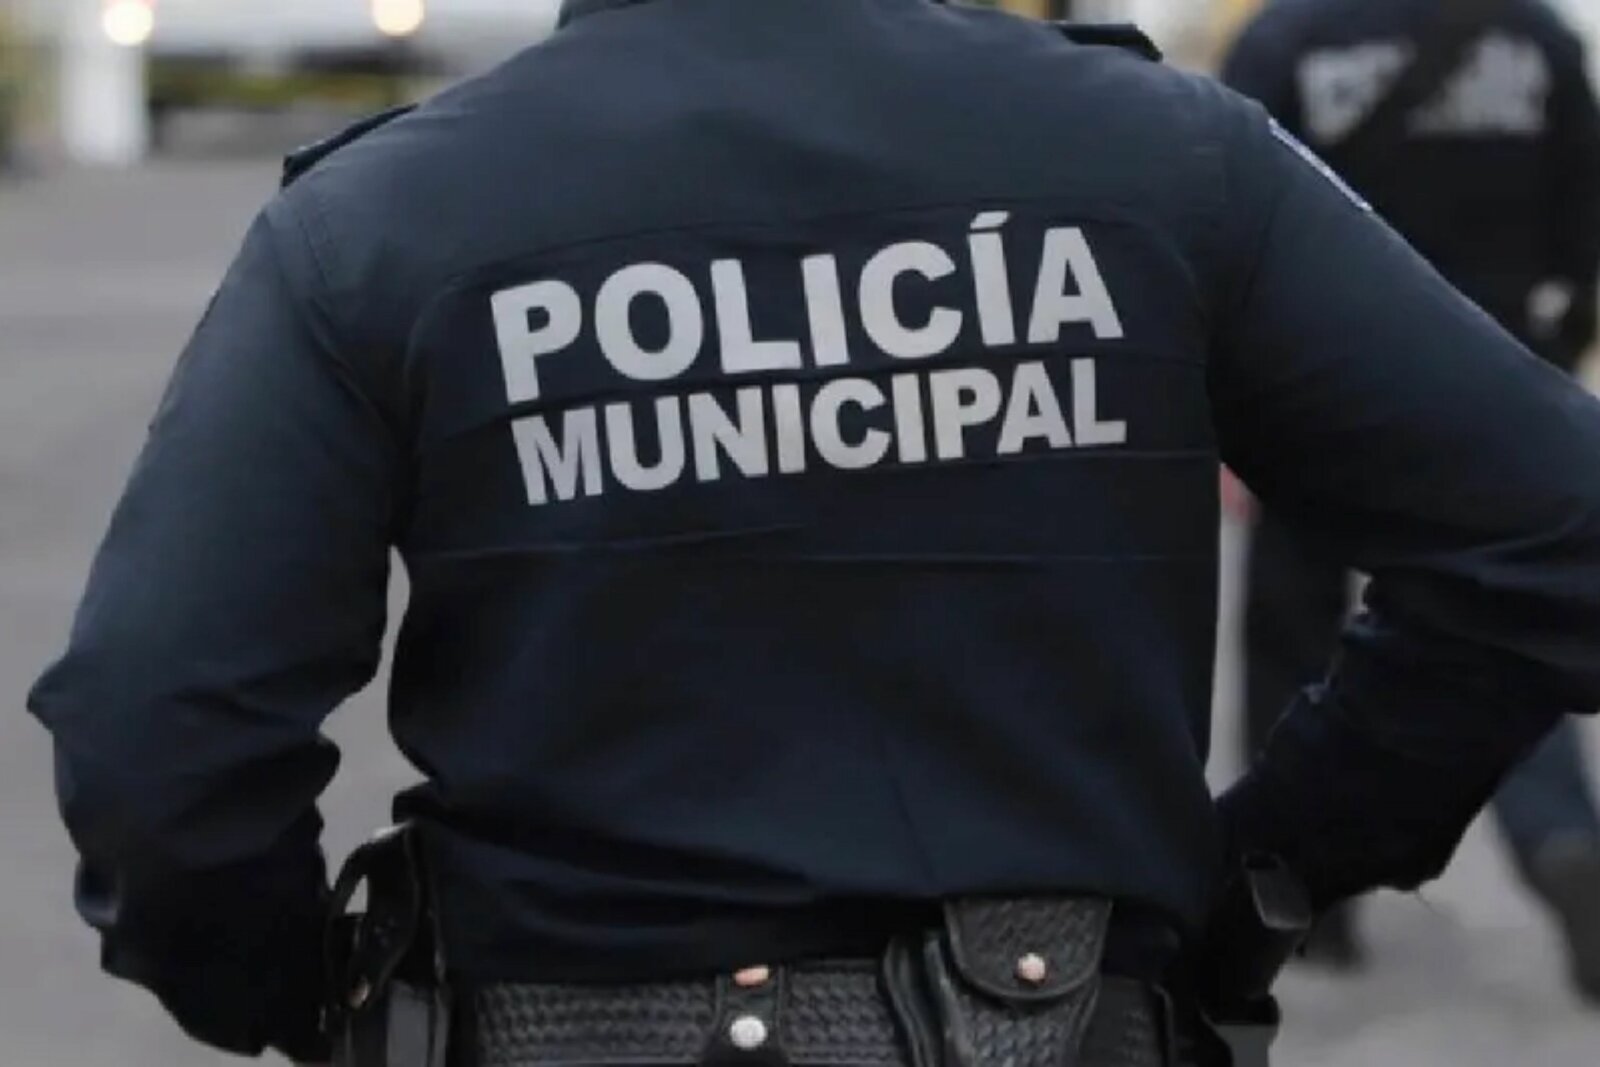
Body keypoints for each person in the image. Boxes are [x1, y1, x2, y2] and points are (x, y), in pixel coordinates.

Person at [25, 0, 1600, 1063]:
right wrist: (1266, 861)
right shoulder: (1160, 159)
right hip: (1058, 1014)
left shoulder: (383, 224)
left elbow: (160, 722)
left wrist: (307, 999)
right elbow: (1553, 530)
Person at [1222, 0, 1600, 996]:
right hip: (1501, 375)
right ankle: (1560, 837)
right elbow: (1583, 216)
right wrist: (1555, 361)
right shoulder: (1535, 37)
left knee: (1294, 636)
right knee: (1507, 626)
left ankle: (1298, 896)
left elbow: (1228, 218)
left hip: (1316, 385)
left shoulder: (1289, 38)